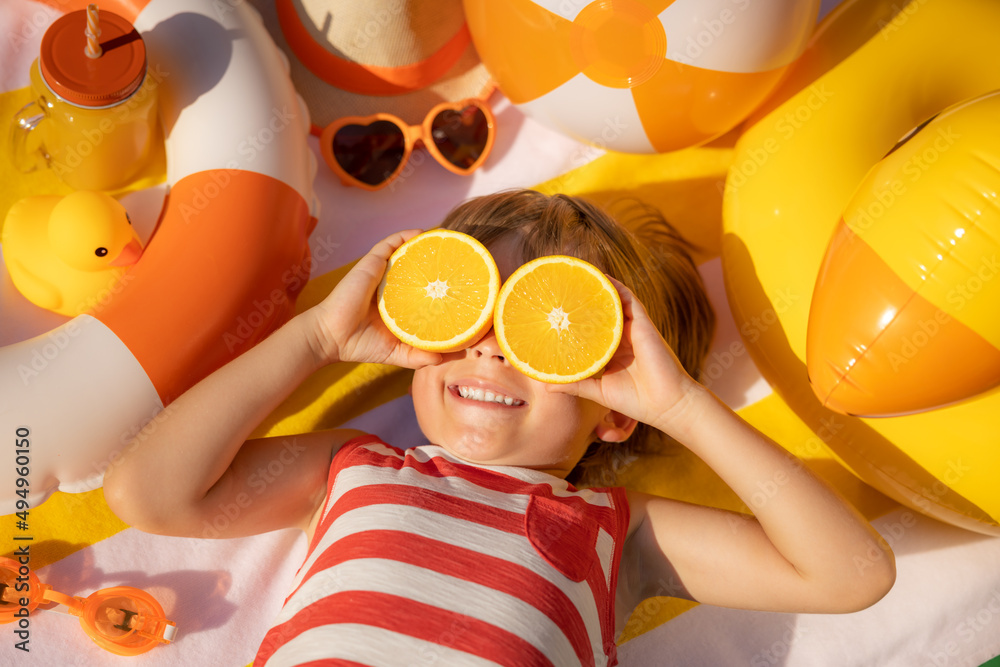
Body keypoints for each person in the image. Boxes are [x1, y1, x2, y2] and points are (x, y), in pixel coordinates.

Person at [104, 190, 895, 666]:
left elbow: (851, 571)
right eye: (471, 309)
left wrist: (682, 405)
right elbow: (149, 493)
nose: (489, 342)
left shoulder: (617, 535)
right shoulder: (357, 470)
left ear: (617, 408)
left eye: (547, 333)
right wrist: (314, 340)